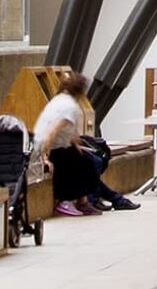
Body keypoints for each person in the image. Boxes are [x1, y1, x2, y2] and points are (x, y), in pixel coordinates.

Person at [35, 73, 108, 216]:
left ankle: (83, 202)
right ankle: (64, 201)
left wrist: (77, 145)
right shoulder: (70, 106)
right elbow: (52, 132)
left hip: (56, 145)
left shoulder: (59, 99)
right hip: (50, 147)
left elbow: (71, 133)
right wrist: (44, 158)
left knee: (87, 161)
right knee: (86, 165)